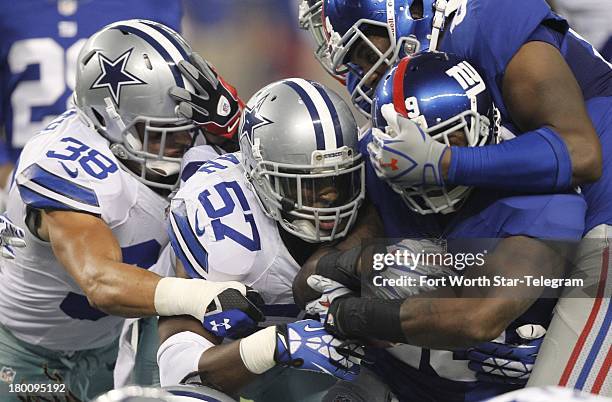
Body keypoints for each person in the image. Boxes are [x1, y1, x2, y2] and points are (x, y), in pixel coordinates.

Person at [304, 0, 611, 394]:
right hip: (571, 223)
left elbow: (582, 154)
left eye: (365, 52)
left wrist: (444, 161)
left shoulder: (485, 21)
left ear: (405, 12)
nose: (360, 77)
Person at [0, 19, 244, 401]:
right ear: (106, 120)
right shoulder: (63, 163)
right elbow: (100, 282)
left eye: (188, 127)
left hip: (115, 343)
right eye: (161, 132)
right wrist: (201, 296)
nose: (183, 141)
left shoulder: (182, 136)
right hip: (24, 355)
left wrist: (234, 126)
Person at [157, 78, 367, 401]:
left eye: (340, 179)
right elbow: (181, 373)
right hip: (225, 362)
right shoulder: (226, 231)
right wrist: (276, 344)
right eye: (309, 184)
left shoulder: (371, 202)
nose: (330, 197)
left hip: (309, 360)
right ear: (260, 178)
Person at [0, 0, 184, 207]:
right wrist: (7, 174)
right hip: (25, 173)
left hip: (129, 173)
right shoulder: (8, 9)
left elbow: (171, 96)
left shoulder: (151, 6)